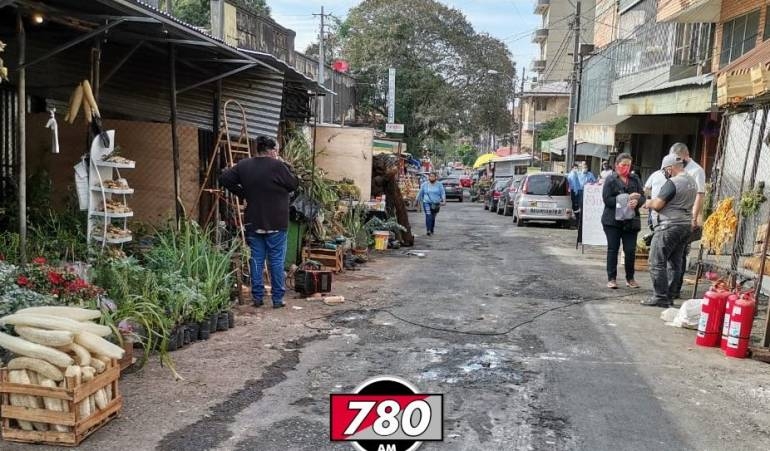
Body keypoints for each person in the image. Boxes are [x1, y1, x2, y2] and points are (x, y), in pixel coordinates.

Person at [220, 136, 299, 309]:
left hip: (253, 221)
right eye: (276, 150)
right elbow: (293, 184)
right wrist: (284, 165)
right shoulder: (278, 166)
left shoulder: (244, 165)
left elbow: (224, 179)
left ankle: (257, 298)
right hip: (276, 221)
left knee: (256, 259)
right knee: (276, 261)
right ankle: (277, 299)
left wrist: (242, 193)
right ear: (271, 151)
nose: (277, 153)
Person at [642, 154, 697, 307]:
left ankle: (660, 296)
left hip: (669, 225)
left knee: (656, 261)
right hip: (685, 225)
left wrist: (646, 202)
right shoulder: (692, 181)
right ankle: (670, 295)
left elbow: (658, 204)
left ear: (670, 168)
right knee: (675, 262)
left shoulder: (672, 183)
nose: (665, 173)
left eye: (665, 170)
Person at [601, 153, 646, 289]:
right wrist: (626, 198)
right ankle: (612, 278)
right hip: (613, 221)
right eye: (623, 165)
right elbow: (607, 200)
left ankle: (630, 278)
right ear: (617, 165)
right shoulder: (610, 180)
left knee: (630, 250)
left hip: (631, 221)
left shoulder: (635, 179)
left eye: (628, 165)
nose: (626, 168)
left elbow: (642, 197)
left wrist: (636, 201)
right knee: (613, 249)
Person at [669, 142, 706, 298]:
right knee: (672, 252)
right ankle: (670, 286)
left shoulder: (696, 171)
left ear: (685, 155)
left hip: (686, 217)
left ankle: (675, 288)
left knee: (680, 253)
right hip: (673, 216)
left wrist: (693, 216)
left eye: (677, 158)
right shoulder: (676, 168)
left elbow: (700, 194)